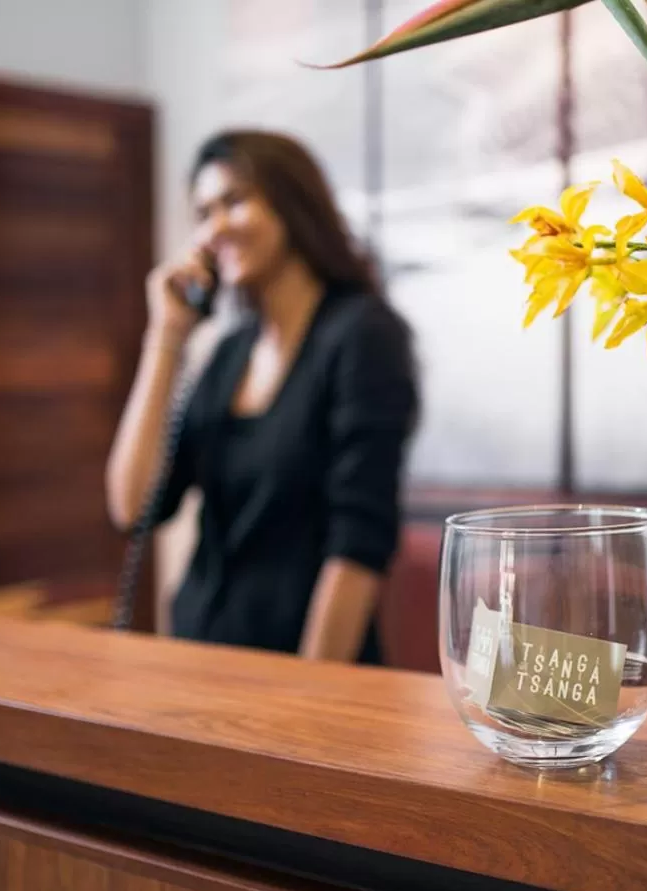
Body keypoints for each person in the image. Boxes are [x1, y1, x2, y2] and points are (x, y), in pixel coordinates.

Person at [105, 130, 419, 664]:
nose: (215, 227)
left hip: (307, 677)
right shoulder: (230, 352)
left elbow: (357, 548)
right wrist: (165, 336)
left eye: (235, 201)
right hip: (200, 661)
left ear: (292, 201)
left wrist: (305, 700)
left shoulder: (361, 334)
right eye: (204, 212)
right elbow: (132, 507)